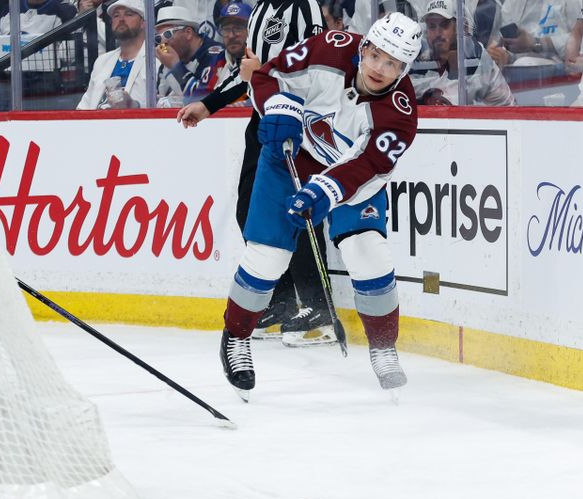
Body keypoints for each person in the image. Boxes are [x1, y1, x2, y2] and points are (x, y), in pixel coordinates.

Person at [214, 12, 423, 398]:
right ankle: (236, 337)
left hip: (352, 184)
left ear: (405, 69)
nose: (380, 68)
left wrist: (324, 191)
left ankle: (383, 348)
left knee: (368, 252)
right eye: (376, 55)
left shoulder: (401, 113)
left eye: (393, 64)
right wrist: (276, 107)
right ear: (364, 47)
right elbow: (265, 77)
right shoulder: (329, 48)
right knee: (268, 257)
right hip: (288, 160)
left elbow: (368, 165)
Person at [177, 0, 335, 348]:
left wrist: (263, 73)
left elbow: (317, 66)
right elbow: (248, 70)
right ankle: (277, 302)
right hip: (264, 116)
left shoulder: (303, 7)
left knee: (297, 210)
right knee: (249, 208)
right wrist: (208, 105)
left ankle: (318, 307)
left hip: (297, 119)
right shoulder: (262, 8)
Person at [410, 0, 515, 105]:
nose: (437, 33)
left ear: (462, 28)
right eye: (432, 26)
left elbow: (507, 107)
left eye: (444, 25)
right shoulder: (417, 65)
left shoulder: (478, 61)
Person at [77, 0, 148, 110]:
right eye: (116, 15)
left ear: (144, 23)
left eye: (129, 14)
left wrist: (135, 106)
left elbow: (168, 104)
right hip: (97, 125)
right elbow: (83, 107)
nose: (121, 19)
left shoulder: (156, 60)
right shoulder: (102, 61)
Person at [155, 6, 224, 106]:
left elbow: (204, 100)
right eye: (158, 38)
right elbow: (159, 99)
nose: (163, 42)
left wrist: (176, 67)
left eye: (167, 34)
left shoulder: (216, 54)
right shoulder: (168, 60)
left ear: (188, 33)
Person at [499, 0, 582, 66]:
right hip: (517, 68)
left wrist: (536, 43)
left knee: (525, 63)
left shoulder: (573, 2)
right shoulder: (511, 3)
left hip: (560, 66)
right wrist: (504, 54)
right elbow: (501, 39)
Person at [206, 1, 253, 104]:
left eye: (238, 28)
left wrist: (246, 103)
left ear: (251, 29)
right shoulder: (218, 62)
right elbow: (201, 96)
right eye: (226, 29)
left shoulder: (263, 60)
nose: (231, 35)